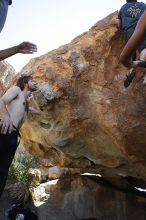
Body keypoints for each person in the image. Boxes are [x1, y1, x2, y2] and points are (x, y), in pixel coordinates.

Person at [0, 75, 42, 198]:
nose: (35, 82)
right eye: (32, 80)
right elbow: (1, 101)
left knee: (2, 172)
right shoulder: (16, 90)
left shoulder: (26, 106)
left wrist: (32, 98)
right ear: (25, 82)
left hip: (13, 137)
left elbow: (39, 112)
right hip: (3, 130)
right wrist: (6, 116)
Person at [117, 0, 146, 87]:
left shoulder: (123, 7)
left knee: (129, 53)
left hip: (129, 31)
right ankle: (142, 62)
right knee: (144, 48)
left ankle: (130, 70)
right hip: (142, 29)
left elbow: (118, 24)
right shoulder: (143, 5)